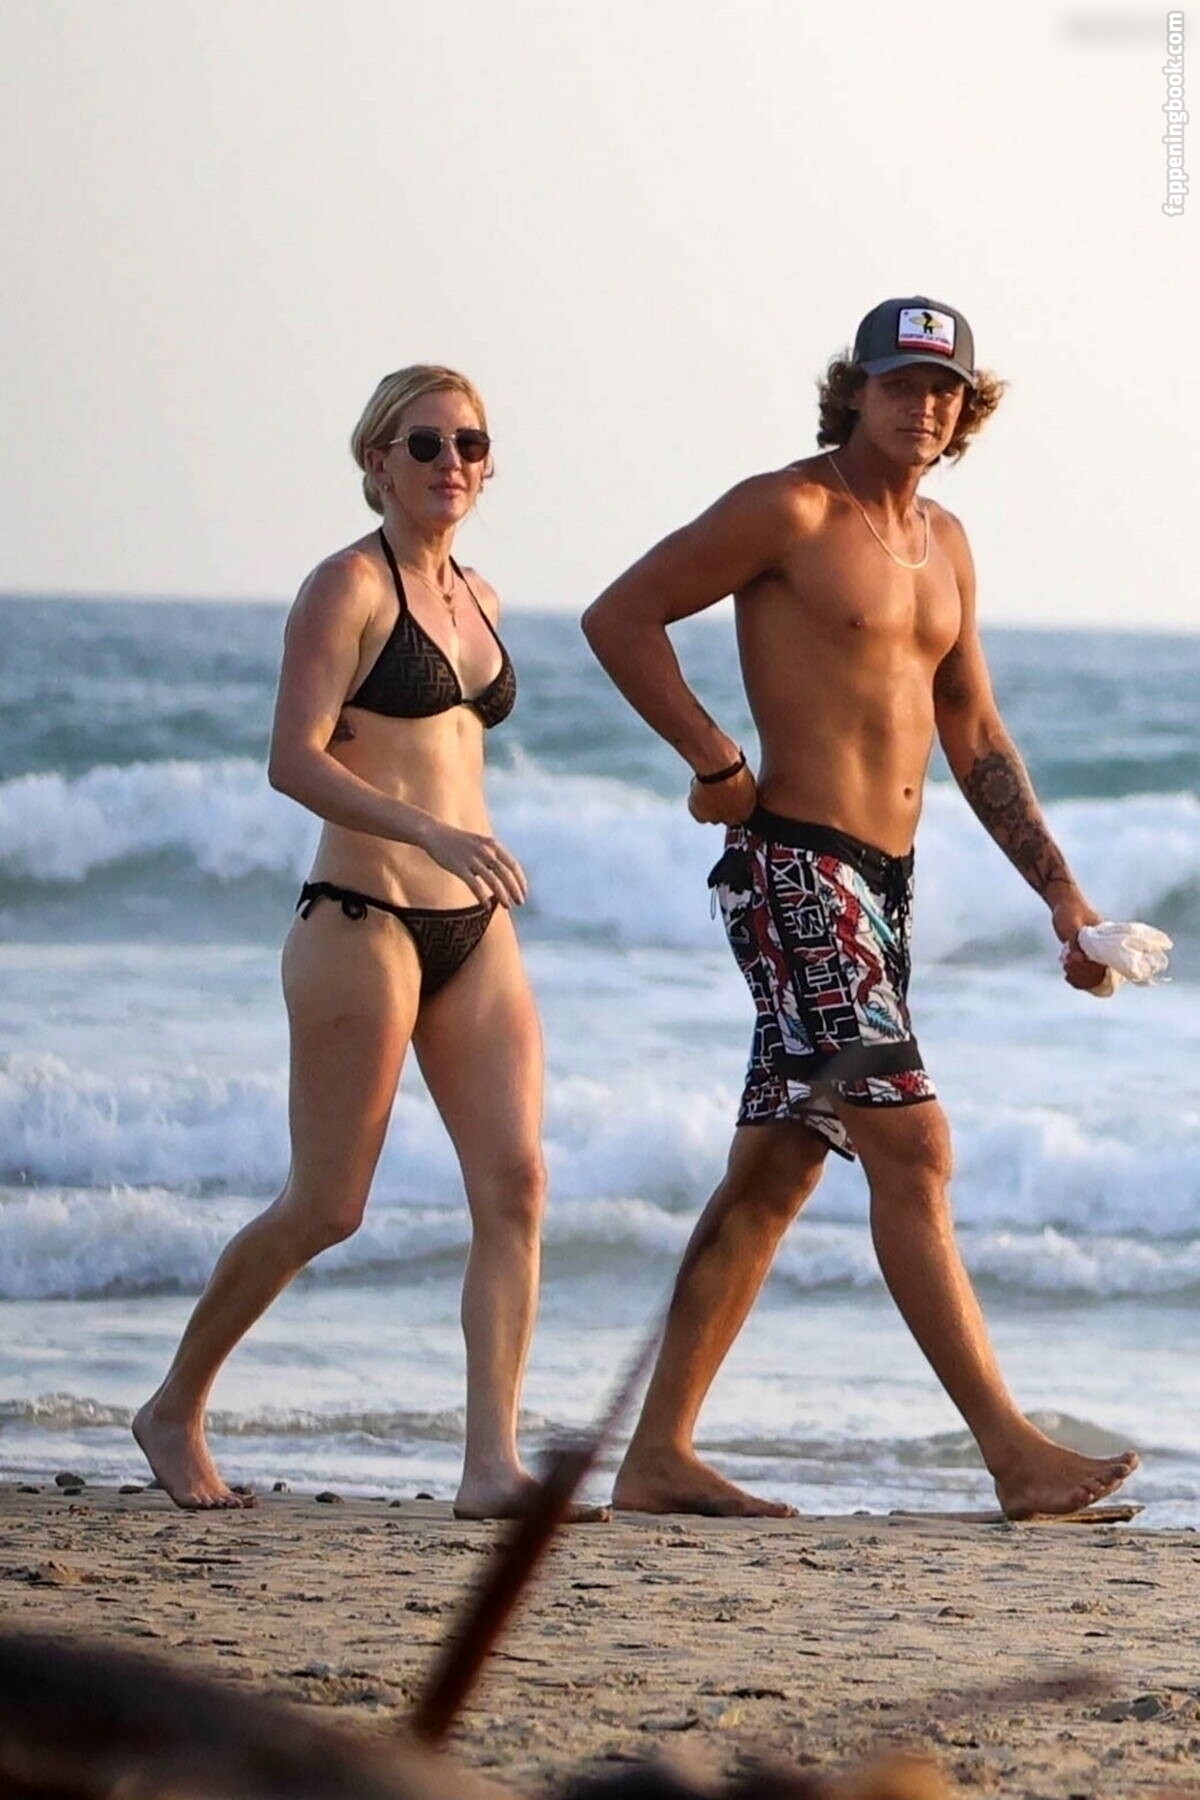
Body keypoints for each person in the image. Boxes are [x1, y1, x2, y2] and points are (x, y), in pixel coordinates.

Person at [582, 297, 1139, 1520]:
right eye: (900, 382)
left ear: (967, 407)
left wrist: (1063, 896)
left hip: (881, 889)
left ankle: (657, 1455)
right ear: (856, 388)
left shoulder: (946, 544)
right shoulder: (789, 508)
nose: (923, 405)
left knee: (778, 1171)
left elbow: (973, 730)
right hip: (796, 871)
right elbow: (620, 616)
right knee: (915, 1149)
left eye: (944, 389)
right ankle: (1013, 1453)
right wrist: (714, 758)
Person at [135, 365, 601, 1520]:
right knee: (329, 1205)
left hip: (474, 930)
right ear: (377, 459)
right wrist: (427, 829)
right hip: (361, 918)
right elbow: (293, 760)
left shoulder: (483, 597)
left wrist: (458, 842)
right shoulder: (344, 586)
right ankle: (173, 1408)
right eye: (426, 443)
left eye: (470, 444)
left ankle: (490, 1465)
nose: (452, 463)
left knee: (518, 1185)